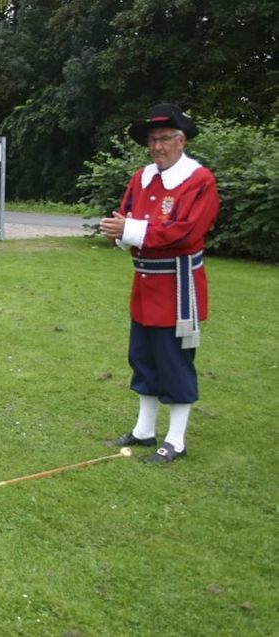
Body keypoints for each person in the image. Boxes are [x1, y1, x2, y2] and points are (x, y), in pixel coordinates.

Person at [100, 104, 220, 464]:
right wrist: (119, 231)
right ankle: (144, 429)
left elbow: (187, 231)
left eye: (165, 139)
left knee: (174, 361)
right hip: (145, 284)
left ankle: (177, 440)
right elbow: (128, 215)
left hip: (177, 287)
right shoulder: (142, 177)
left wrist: (131, 231)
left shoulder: (200, 181)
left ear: (181, 140)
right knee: (143, 357)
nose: (157, 147)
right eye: (153, 140)